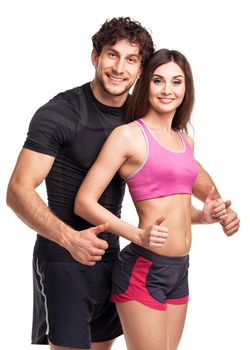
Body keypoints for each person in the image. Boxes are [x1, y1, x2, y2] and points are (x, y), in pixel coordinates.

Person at [6, 17, 239, 350]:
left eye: (131, 59)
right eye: (111, 55)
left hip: (113, 257)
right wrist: (70, 239)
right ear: (95, 57)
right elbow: (17, 191)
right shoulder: (60, 113)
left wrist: (214, 205)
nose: (119, 67)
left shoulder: (140, 115)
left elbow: (185, 168)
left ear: (141, 69)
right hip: (64, 258)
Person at [74, 48, 238, 350]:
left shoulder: (184, 140)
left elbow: (173, 206)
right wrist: (138, 234)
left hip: (179, 269)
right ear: (146, 83)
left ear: (186, 87)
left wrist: (205, 216)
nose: (167, 90)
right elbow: (84, 201)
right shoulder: (128, 136)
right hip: (144, 268)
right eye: (158, 81)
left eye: (176, 82)